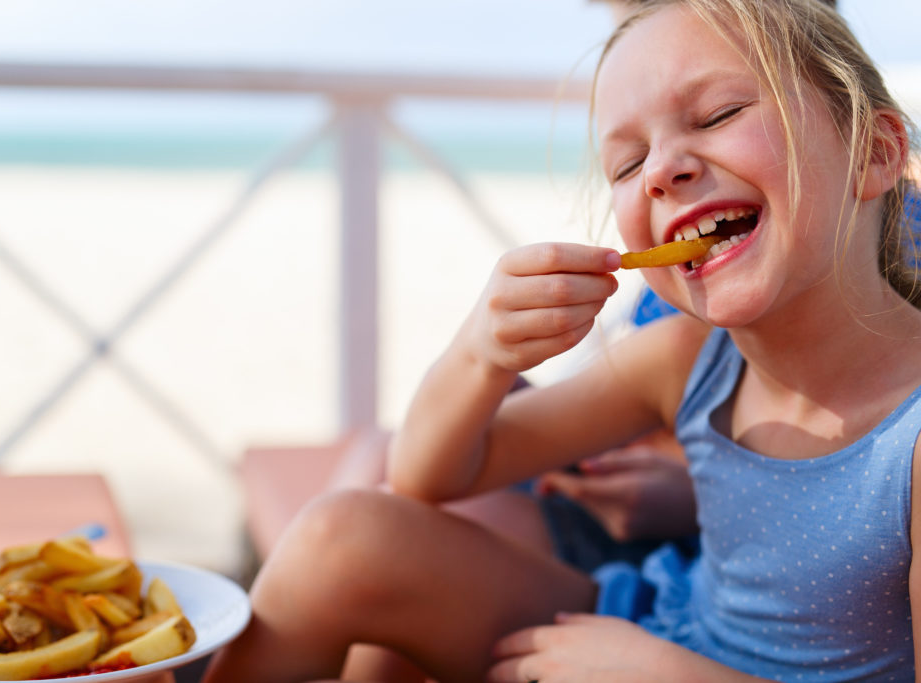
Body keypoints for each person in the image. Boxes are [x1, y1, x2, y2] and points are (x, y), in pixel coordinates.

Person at [204, 0, 921, 680]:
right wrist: (480, 353)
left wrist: (666, 674)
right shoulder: (687, 359)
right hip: (653, 630)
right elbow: (428, 474)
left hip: (660, 665)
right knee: (342, 538)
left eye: (720, 113)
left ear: (876, 153)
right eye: (628, 164)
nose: (663, 172)